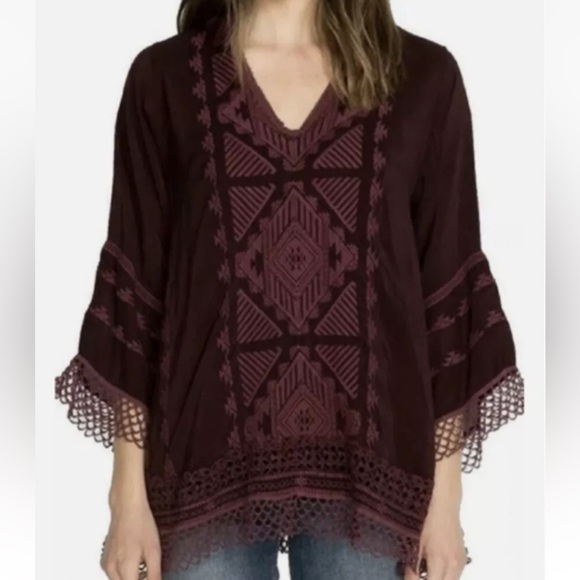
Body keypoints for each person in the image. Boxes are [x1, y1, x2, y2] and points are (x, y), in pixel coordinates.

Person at [54, 0, 525, 579]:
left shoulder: (422, 77)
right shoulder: (164, 80)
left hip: (372, 473)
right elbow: (138, 295)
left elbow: (444, 295)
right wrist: (126, 499)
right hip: (203, 463)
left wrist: (445, 502)